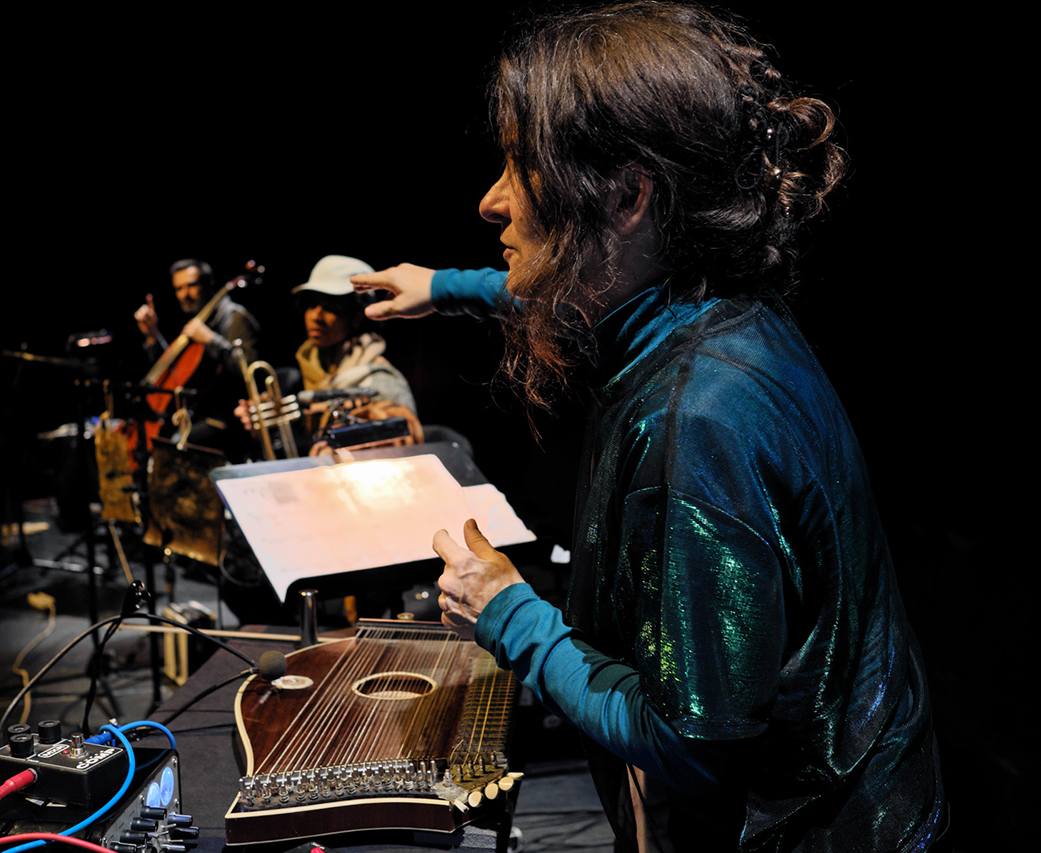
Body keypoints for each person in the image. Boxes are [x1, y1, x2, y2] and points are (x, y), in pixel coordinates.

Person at [351, 4, 945, 851]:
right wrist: (445, 285)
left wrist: (506, 610)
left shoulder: (700, 428)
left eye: (522, 166)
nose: (490, 200)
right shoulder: (715, 299)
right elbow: (564, 284)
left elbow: (691, 745)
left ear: (627, 195)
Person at [238, 254, 421, 456]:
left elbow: (405, 443)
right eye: (311, 304)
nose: (316, 316)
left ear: (357, 317)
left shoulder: (379, 380)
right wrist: (262, 422)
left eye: (331, 307)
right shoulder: (300, 377)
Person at [134, 258, 260, 457]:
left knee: (175, 445)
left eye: (192, 285)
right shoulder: (198, 321)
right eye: (179, 289)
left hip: (229, 415)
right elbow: (177, 374)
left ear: (209, 283)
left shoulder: (233, 317)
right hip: (196, 415)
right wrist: (153, 336)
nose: (185, 295)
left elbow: (252, 371)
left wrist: (212, 341)